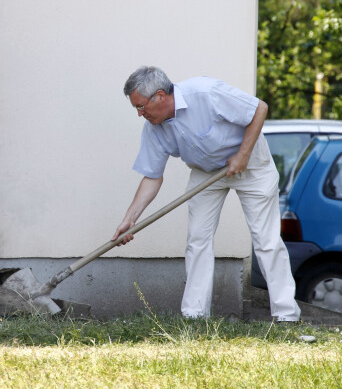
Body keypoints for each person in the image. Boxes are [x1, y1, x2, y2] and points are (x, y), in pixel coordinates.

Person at [113, 66, 301, 322]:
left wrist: (243, 155)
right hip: (206, 172)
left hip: (251, 164)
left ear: (159, 95)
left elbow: (260, 108)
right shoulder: (154, 128)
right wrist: (130, 219)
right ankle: (195, 315)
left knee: (265, 239)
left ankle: (286, 315)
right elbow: (152, 176)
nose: (139, 114)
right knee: (197, 239)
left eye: (141, 107)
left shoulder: (205, 92)